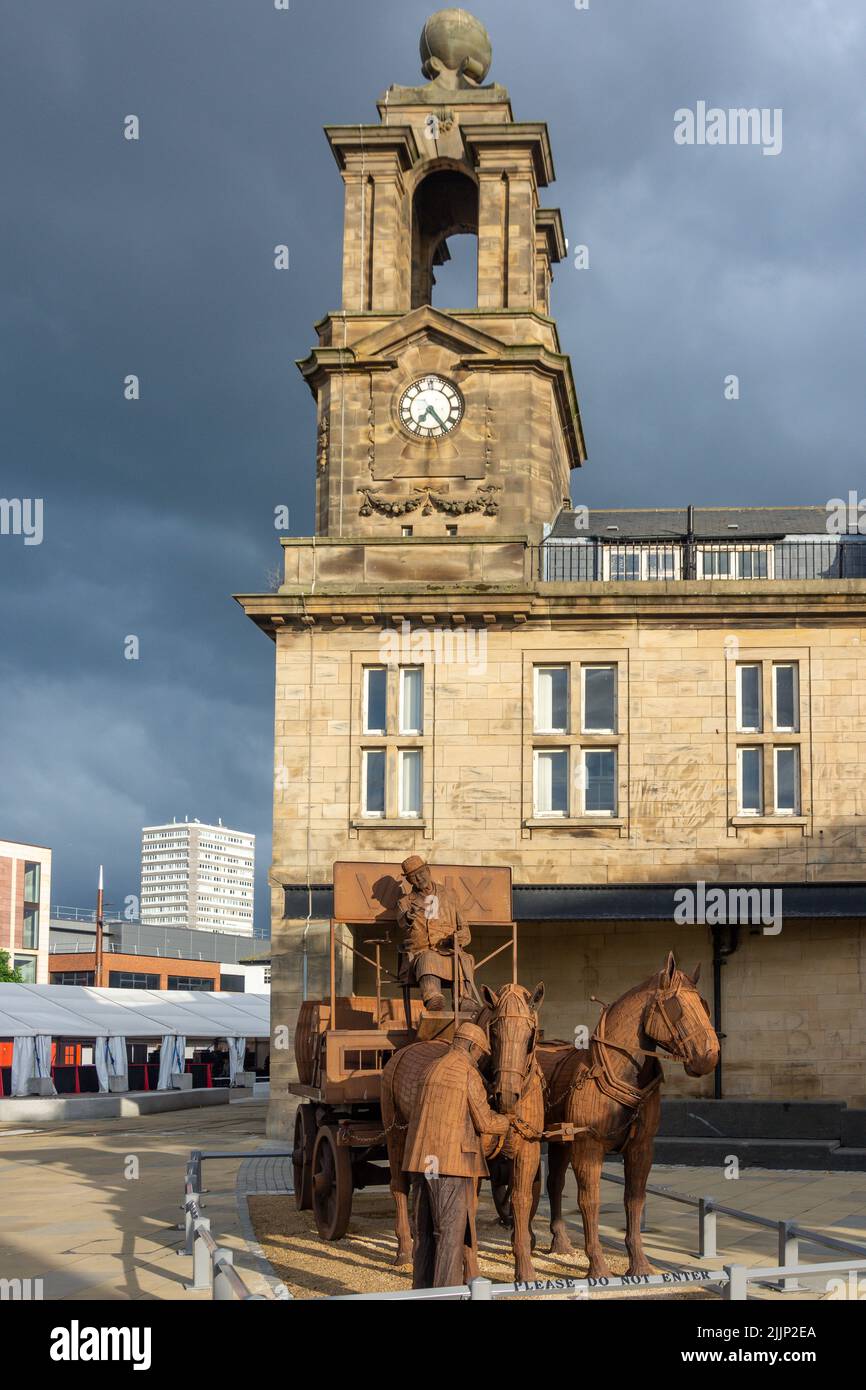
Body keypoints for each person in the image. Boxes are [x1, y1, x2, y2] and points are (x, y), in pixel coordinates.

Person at [403, 1020, 539, 1289]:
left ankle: (421, 1294)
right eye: (480, 1053)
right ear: (471, 1046)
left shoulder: (431, 1068)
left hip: (421, 1163)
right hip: (452, 1165)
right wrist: (510, 1121)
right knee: (450, 1235)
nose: (479, 1059)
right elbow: (485, 1123)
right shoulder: (467, 1073)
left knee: (425, 1235)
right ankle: (446, 1295)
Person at [396, 855, 478, 1012]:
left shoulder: (450, 895)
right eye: (413, 876)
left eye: (421, 872)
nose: (419, 878)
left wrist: (458, 938)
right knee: (428, 958)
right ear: (409, 881)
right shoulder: (405, 902)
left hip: (450, 951)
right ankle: (433, 996)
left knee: (465, 959)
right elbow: (402, 920)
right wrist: (408, 917)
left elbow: (465, 930)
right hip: (421, 954)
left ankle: (463, 998)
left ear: (428, 870)